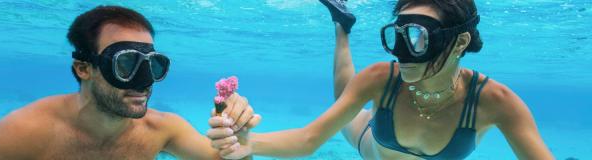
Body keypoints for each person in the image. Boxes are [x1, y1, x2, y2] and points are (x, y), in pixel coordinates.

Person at [207, 0, 554, 159]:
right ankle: (342, 26)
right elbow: (310, 138)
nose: (402, 53)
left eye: (417, 38)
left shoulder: (496, 102)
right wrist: (252, 144)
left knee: (349, 97)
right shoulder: (381, 77)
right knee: (344, 96)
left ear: (460, 41)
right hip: (371, 145)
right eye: (397, 36)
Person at [0, 5, 259, 160]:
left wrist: (240, 143)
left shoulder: (162, 128)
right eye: (125, 64)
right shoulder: (21, 133)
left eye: (153, 65)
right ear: (83, 68)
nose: (144, 83)